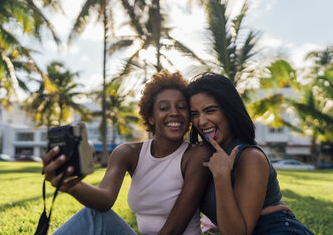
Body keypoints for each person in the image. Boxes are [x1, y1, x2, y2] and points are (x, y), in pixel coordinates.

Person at [42, 70, 210, 235]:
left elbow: (174, 230)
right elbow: (104, 199)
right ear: (151, 117)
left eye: (181, 107)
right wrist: (72, 185)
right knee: (93, 215)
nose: (174, 112)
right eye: (164, 108)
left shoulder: (197, 155)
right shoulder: (127, 153)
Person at [186, 72, 314, 235]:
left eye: (210, 111)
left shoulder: (250, 156)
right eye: (195, 114)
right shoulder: (205, 155)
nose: (202, 121)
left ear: (229, 110)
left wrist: (222, 177)